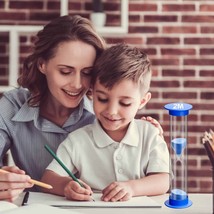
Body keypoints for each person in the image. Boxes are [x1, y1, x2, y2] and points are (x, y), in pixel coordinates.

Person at [41, 43, 170, 202]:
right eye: (102, 99)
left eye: (125, 103)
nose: (112, 111)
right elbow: (47, 178)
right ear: (92, 92)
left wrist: (131, 188)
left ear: (142, 101)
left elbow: (163, 181)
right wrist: (66, 185)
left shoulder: (150, 133)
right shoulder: (78, 140)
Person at [0, 14, 106, 201]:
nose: (77, 84)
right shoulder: (12, 106)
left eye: (87, 73)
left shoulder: (105, 111)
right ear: (42, 64)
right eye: (65, 71)